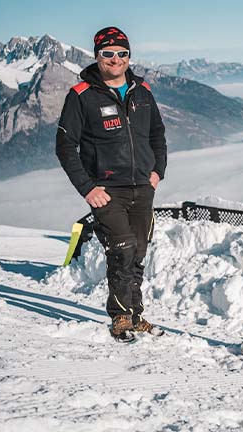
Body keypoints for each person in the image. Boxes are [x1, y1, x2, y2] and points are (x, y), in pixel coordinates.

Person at [56, 26, 167, 342]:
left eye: (121, 53)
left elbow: (157, 134)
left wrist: (159, 170)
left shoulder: (142, 91)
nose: (115, 59)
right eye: (108, 53)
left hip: (143, 187)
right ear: (97, 56)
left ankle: (135, 314)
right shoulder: (81, 96)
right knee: (122, 249)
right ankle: (120, 317)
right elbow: (65, 146)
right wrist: (87, 188)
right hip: (106, 191)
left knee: (139, 251)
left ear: (129, 56)